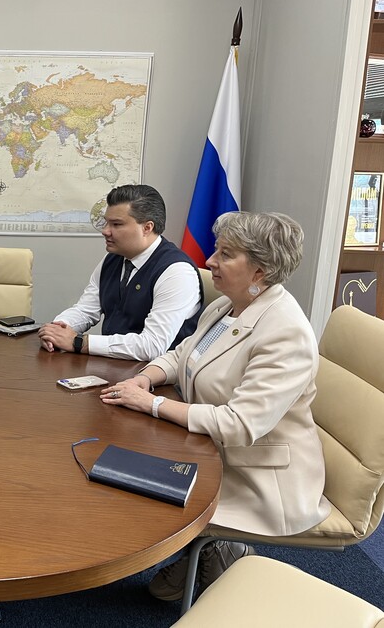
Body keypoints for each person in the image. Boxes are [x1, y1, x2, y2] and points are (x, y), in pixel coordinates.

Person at [99, 211, 330, 600]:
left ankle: (219, 549)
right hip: (211, 449)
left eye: (225, 254)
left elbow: (239, 424)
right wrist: (145, 378)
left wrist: (152, 405)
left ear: (260, 271)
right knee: (120, 463)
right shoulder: (227, 306)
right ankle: (206, 550)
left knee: (134, 484)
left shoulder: (286, 332)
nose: (209, 261)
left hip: (258, 477)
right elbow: (182, 355)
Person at [38, 184, 202, 361]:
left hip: (156, 373)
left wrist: (79, 342)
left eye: (116, 224)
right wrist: (57, 329)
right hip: (112, 365)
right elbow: (86, 310)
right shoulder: (113, 259)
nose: (105, 231)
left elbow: (152, 346)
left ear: (147, 228)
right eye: (106, 222)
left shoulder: (177, 272)